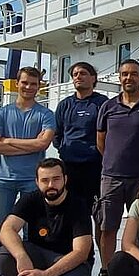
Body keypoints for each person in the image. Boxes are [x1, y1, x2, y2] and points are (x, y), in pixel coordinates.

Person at [88, 59, 139, 276]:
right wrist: (114, 161)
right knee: (107, 227)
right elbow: (101, 141)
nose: (128, 78)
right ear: (119, 78)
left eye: (133, 74)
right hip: (111, 176)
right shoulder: (108, 107)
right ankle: (107, 274)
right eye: (124, 74)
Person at [0, 159, 95, 276]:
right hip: (40, 254)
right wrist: (21, 256)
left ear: (65, 179)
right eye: (45, 180)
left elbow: (81, 251)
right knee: (6, 255)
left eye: (56, 179)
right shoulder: (30, 200)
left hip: (69, 259)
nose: (51, 185)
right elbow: (6, 230)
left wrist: (45, 275)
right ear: (37, 182)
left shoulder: (78, 205)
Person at [0, 66, 55, 276]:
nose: (29, 87)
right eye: (25, 83)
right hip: (3, 179)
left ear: (39, 86)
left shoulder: (45, 114)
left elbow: (42, 145)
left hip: (32, 182)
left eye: (33, 84)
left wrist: (9, 141)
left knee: (32, 235)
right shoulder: (1, 113)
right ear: (18, 83)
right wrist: (28, 143)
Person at [53, 61, 109, 208]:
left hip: (95, 166)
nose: (78, 77)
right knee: (71, 210)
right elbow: (57, 134)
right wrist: (64, 149)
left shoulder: (103, 103)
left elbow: (109, 133)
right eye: (75, 74)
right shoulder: (64, 105)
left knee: (98, 210)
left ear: (93, 78)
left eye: (83, 73)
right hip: (70, 166)